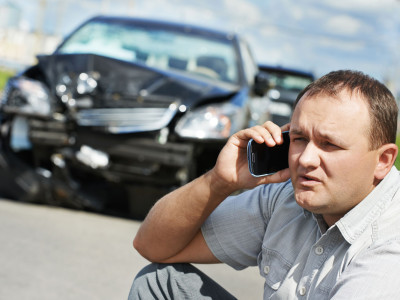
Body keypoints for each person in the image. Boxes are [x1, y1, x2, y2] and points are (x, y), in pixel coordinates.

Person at [128, 70, 399, 299]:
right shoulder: (285, 197)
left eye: (329, 144)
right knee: (160, 283)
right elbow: (152, 245)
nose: (305, 159)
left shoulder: (390, 244)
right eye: (299, 138)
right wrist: (220, 181)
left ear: (383, 160)